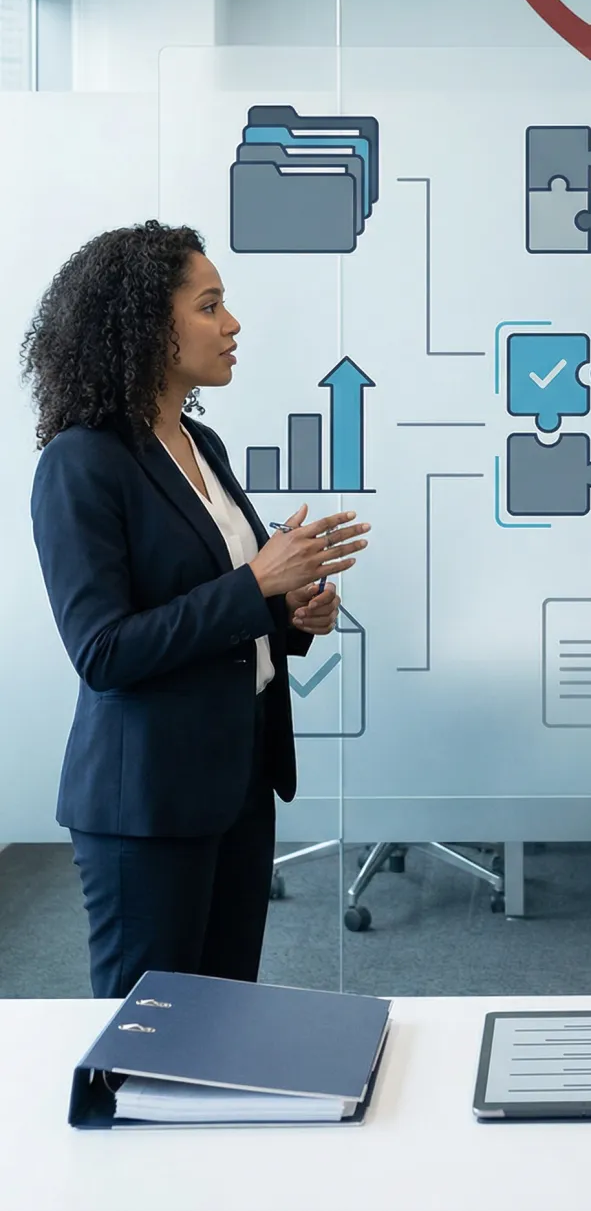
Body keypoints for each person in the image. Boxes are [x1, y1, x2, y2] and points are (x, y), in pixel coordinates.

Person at [22, 221, 371, 997]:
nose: (233, 324)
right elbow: (105, 650)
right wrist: (256, 585)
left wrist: (290, 614)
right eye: (210, 305)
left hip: (237, 780)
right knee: (144, 1046)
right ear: (148, 324)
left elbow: (217, 608)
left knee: (221, 1028)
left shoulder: (198, 444)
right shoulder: (79, 463)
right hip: (146, 801)